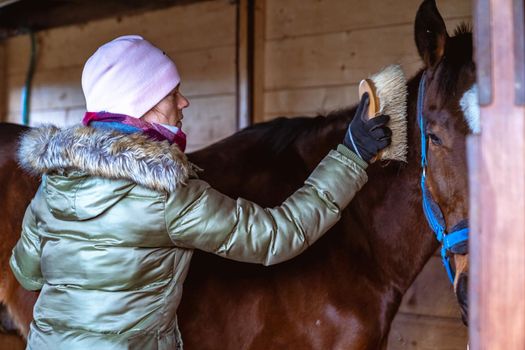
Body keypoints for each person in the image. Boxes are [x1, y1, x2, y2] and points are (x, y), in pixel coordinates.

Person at [10, 35, 392, 349]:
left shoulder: (53, 183)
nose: (184, 102)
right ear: (140, 107)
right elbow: (280, 234)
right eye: (172, 93)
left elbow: (27, 273)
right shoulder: (166, 197)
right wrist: (351, 155)